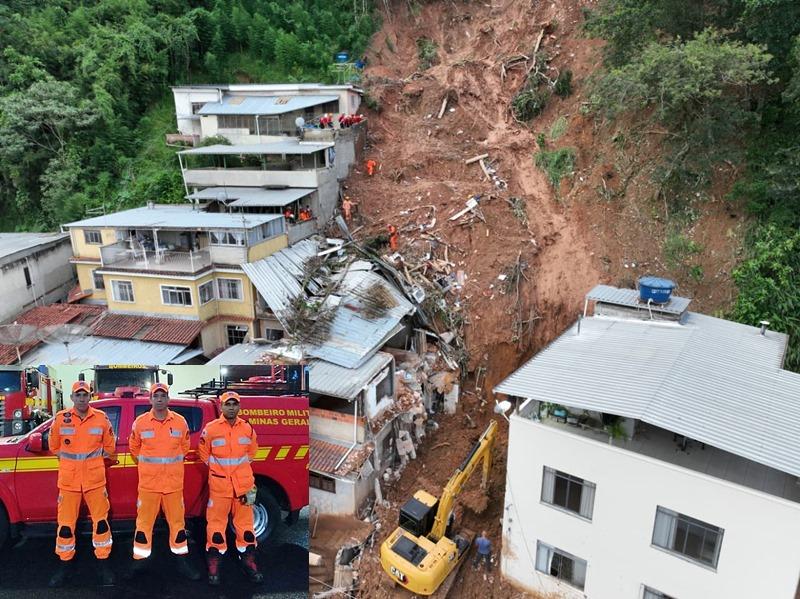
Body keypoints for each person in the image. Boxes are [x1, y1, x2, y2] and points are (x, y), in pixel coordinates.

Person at [128, 383, 200, 580]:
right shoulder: (141, 423)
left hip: (173, 486)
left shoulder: (180, 422)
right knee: (143, 525)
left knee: (178, 525)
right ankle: (139, 563)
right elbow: (134, 448)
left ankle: (182, 562)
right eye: (156, 396)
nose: (159, 399)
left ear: (168, 399)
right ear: (150, 399)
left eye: (163, 396)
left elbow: (184, 447)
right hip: (149, 486)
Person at [48, 381, 116, 588]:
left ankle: (103, 564)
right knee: (66, 527)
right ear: (72, 398)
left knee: (101, 524)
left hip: (94, 481)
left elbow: (110, 448)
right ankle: (65, 565)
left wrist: (90, 464)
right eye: (78, 395)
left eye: (85, 395)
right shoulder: (61, 419)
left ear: (90, 397)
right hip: (69, 482)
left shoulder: (101, 419)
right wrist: (73, 465)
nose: (82, 398)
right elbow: (54, 447)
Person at [198, 391, 263, 585]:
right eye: (228, 404)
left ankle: (249, 561)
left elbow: (251, 453)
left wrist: (237, 473)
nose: (231, 407)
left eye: (235, 404)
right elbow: (204, 454)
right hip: (220, 487)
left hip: (245, 487)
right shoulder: (210, 429)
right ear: (221, 406)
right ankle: (214, 564)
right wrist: (221, 472)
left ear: (239, 406)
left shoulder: (247, 429)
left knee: (247, 527)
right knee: (216, 527)